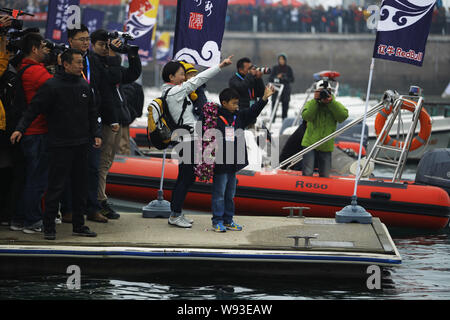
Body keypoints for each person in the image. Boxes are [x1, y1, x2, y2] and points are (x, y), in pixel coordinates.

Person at [10, 48, 102, 240]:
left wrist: (96, 134)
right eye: (77, 62)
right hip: (59, 143)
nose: (80, 66)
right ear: (65, 64)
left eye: (81, 62)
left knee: (80, 187)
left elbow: (92, 112)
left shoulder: (84, 86)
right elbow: (34, 108)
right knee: (56, 186)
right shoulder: (51, 85)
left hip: (81, 143)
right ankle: (49, 227)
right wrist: (21, 128)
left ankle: (79, 225)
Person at [160, 56, 233, 228]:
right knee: (186, 178)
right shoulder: (175, 91)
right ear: (171, 77)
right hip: (187, 140)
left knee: (184, 178)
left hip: (186, 139)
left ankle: (176, 211)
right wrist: (220, 66)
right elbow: (199, 79)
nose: (184, 78)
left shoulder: (170, 91)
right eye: (181, 74)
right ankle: (175, 214)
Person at [90, 29, 142, 220]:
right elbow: (111, 78)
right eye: (102, 45)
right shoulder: (93, 62)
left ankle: (100, 199)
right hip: (105, 120)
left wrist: (132, 54)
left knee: (107, 162)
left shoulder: (108, 62)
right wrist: (113, 54)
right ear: (92, 44)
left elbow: (130, 75)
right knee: (103, 162)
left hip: (116, 118)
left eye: (108, 44)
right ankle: (99, 200)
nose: (106, 48)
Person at [211, 85, 275, 232]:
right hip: (220, 164)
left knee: (230, 194)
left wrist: (264, 98)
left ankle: (228, 220)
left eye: (237, 103)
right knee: (219, 194)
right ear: (224, 103)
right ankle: (217, 221)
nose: (236, 106)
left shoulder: (238, 116)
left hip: (233, 164)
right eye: (233, 103)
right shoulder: (214, 118)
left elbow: (253, 111)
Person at [61, 24, 106, 223]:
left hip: (92, 119)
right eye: (82, 39)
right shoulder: (63, 62)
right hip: (70, 123)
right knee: (70, 169)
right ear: (70, 41)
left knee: (93, 168)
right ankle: (68, 209)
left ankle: (93, 208)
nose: (86, 43)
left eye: (88, 39)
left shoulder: (93, 60)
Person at [8, 33, 53, 234]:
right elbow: (56, 89)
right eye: (43, 46)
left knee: (27, 177)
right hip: (37, 131)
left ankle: (19, 218)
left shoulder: (24, 68)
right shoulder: (36, 72)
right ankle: (33, 220)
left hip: (28, 131)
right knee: (37, 179)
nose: (47, 49)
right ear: (34, 49)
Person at [301, 80, 348, 177]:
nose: (324, 94)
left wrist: (331, 103)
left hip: (326, 145)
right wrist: (315, 101)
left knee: (325, 176)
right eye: (321, 92)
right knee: (307, 173)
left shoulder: (334, 104)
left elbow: (343, 116)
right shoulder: (311, 103)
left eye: (326, 91)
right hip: (310, 144)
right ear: (316, 92)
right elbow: (306, 117)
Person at [268, 53, 294, 120]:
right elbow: (270, 78)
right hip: (276, 89)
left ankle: (284, 119)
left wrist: (284, 77)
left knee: (285, 105)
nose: (281, 61)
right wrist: (277, 77)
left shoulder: (288, 68)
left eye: (282, 59)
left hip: (285, 90)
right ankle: (272, 119)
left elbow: (292, 79)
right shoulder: (275, 68)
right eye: (280, 59)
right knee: (274, 105)